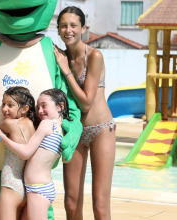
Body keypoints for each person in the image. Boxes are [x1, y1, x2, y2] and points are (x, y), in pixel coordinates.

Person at [0, 1, 83, 219]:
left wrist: (73, 126)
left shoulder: (50, 51)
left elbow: (67, 102)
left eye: (9, 105)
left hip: (36, 177)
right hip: (0, 169)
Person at [53, 6, 116, 220]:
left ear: (83, 28)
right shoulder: (58, 56)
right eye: (63, 25)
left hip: (101, 130)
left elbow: (87, 103)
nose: (68, 30)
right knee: (71, 203)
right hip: (75, 132)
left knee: (100, 205)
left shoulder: (94, 56)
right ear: (58, 29)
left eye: (73, 25)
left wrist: (66, 70)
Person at [0, 88, 71, 220]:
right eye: (38, 107)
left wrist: (2, 137)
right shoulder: (61, 129)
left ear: (60, 106)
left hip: (37, 188)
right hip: (39, 188)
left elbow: (25, 153)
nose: (40, 111)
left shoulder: (46, 124)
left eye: (44, 106)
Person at [0, 84, 38, 220]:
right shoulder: (32, 125)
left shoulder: (9, 123)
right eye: (3, 104)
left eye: (10, 105)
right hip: (28, 187)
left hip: (11, 184)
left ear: (25, 108)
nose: (4, 109)